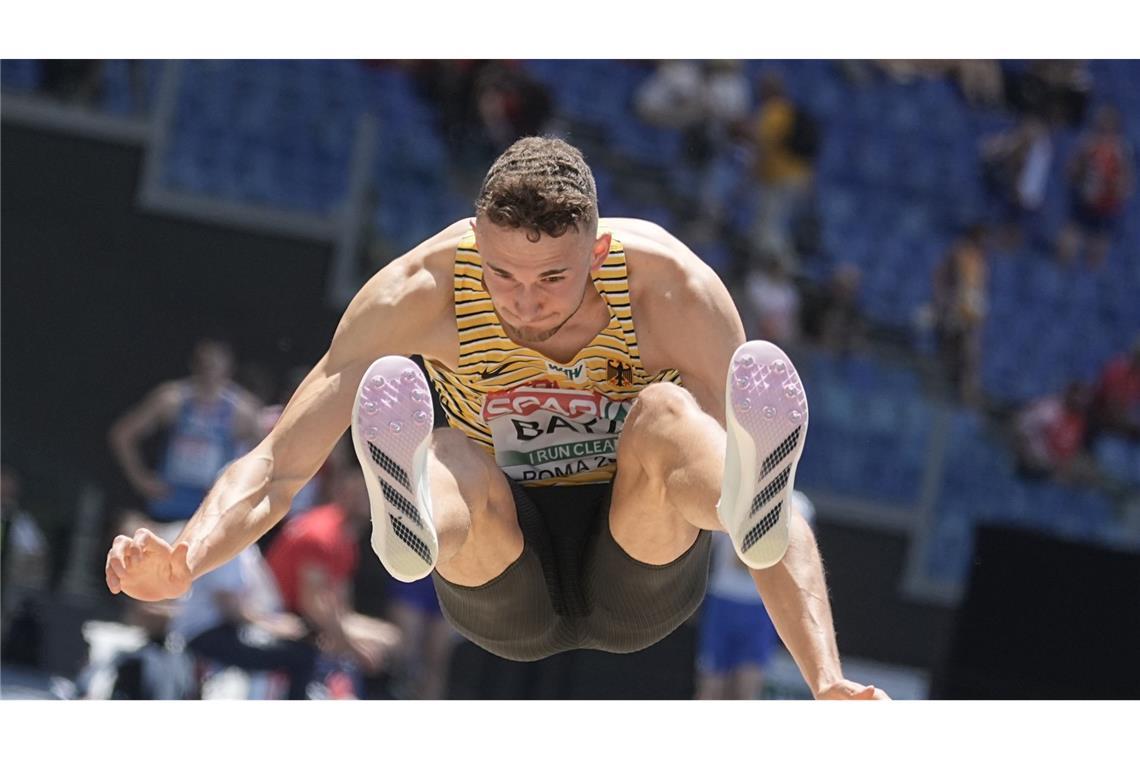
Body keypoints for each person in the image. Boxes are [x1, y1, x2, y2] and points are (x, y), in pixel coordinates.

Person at [105, 136, 888, 700]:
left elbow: (780, 504)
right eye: (504, 276)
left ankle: (734, 506)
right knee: (447, 447)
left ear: (600, 248)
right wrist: (187, 557)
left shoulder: (670, 288)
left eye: (555, 277)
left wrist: (826, 679)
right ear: (474, 244)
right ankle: (412, 525)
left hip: (637, 562)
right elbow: (280, 461)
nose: (527, 301)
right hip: (498, 567)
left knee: (667, 413)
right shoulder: (420, 290)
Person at [264, 450, 401, 694]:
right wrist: (355, 647)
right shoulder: (321, 533)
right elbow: (313, 606)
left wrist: (351, 638)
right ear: (342, 493)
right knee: (373, 647)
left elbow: (340, 604)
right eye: (359, 493)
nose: (367, 501)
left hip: (312, 619)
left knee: (391, 638)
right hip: (280, 615)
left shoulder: (347, 539)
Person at [108, 338, 260, 528]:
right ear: (194, 365)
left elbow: (267, 451)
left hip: (210, 509)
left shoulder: (242, 410)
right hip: (168, 502)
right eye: (203, 365)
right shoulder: (172, 399)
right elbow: (122, 435)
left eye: (214, 366)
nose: (208, 373)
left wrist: (237, 489)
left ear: (228, 369)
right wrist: (141, 479)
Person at [696, 490, 817, 700]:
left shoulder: (799, 505)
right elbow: (706, 545)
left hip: (761, 605)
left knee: (747, 691)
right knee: (710, 690)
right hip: (723, 599)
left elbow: (802, 559)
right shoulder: (729, 492)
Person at [169, 544, 317, 700]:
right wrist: (275, 627)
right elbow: (231, 610)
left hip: (230, 629)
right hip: (204, 635)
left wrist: (280, 623)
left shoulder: (246, 548)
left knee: (300, 646)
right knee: (301, 656)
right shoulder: (223, 546)